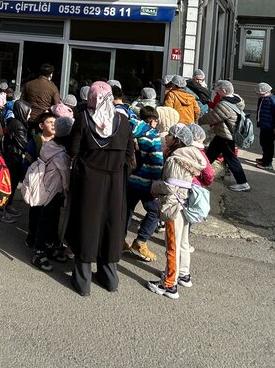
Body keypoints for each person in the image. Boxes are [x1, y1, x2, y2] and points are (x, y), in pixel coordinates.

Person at [64, 81, 134, 296]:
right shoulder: (123, 121)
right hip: (115, 180)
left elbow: (73, 149)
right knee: (110, 223)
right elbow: (130, 153)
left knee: (86, 221)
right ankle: (109, 275)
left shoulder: (84, 119)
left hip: (88, 179)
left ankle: (83, 279)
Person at [147, 124, 215, 299]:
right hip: (185, 203)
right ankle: (183, 274)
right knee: (183, 242)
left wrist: (153, 186)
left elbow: (170, 186)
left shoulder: (175, 159)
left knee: (172, 246)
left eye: (170, 134)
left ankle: (169, 285)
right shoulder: (191, 155)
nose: (167, 136)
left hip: (173, 206)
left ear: (177, 139)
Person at [25, 112, 71, 271]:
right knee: (47, 222)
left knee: (47, 220)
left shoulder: (47, 146)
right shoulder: (62, 156)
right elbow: (66, 179)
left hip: (44, 189)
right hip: (54, 192)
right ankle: (39, 252)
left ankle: (48, 246)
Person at [124, 106, 163, 263]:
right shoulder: (152, 136)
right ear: (153, 121)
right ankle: (140, 242)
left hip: (130, 179)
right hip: (146, 183)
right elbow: (156, 161)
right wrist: (156, 181)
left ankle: (120, 240)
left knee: (127, 209)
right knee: (154, 212)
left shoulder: (130, 132)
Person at [198, 80, 251, 192]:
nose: (217, 93)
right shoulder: (237, 100)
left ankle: (243, 182)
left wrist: (199, 121)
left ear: (224, 91)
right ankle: (200, 175)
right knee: (210, 155)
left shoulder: (224, 105)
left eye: (218, 91)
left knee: (230, 159)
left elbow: (212, 117)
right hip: (225, 134)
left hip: (225, 136)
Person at [0, 99, 33, 223]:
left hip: (13, 156)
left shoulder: (17, 122)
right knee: (9, 184)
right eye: (28, 112)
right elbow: (24, 144)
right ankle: (2, 210)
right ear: (22, 111)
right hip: (13, 157)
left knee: (12, 184)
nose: (29, 115)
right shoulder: (18, 125)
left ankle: (7, 206)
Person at [254, 82, 275, 171]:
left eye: (261, 94)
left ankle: (268, 163)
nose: (259, 95)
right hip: (265, 126)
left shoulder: (273, 100)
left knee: (268, 145)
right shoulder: (263, 99)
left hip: (270, 127)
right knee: (264, 143)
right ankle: (265, 158)